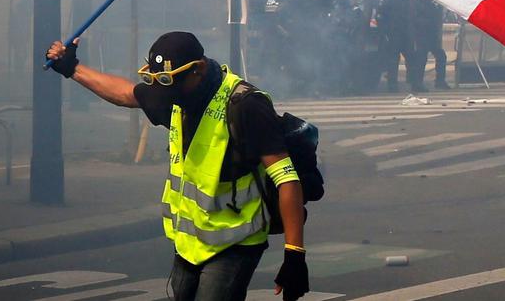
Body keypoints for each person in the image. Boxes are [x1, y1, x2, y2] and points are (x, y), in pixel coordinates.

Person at [45, 32, 310, 300]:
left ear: (199, 70)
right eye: (161, 84)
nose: (166, 95)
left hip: (235, 243)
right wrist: (72, 68)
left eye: (172, 85)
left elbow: (287, 179)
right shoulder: (173, 90)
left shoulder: (246, 105)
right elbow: (125, 94)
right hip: (189, 244)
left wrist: (294, 255)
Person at [407, 0, 451, 91]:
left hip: (429, 35)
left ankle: (436, 81)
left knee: (437, 56)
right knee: (422, 59)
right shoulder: (421, 4)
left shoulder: (428, 3)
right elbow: (415, 19)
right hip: (423, 35)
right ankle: (418, 83)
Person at [377, 0, 415, 92]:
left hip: (395, 32)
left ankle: (393, 84)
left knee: (394, 59)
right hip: (399, 32)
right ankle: (411, 82)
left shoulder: (388, 0)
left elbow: (381, 16)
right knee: (408, 58)